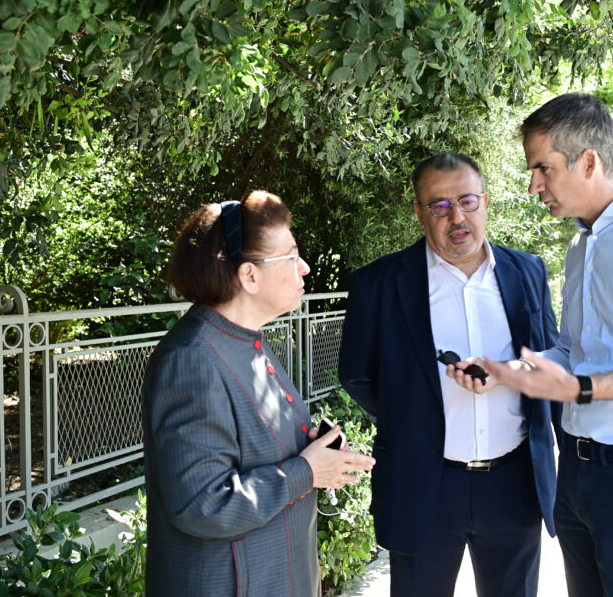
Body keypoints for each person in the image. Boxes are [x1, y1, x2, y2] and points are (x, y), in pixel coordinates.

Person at [448, 94, 613, 597]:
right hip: (575, 470)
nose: (534, 185)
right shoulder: (581, 245)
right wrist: (504, 372)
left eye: (543, 168)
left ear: (588, 161)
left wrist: (581, 389)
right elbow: (571, 352)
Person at [338, 152, 561, 597]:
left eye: (467, 201)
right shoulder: (378, 283)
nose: (456, 217)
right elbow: (357, 374)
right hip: (424, 483)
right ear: (418, 212)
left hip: (514, 483)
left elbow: (551, 356)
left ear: (485, 202)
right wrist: (416, 414)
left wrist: (510, 373)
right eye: (439, 205)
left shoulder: (527, 271)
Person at [142, 191, 375, 597]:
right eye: (291, 256)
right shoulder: (192, 358)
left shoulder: (245, 339)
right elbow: (202, 505)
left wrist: (315, 454)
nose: (304, 267)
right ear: (249, 276)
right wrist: (306, 471)